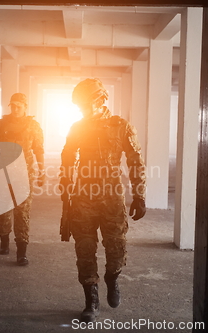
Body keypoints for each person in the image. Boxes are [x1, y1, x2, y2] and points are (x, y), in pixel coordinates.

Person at [59, 78, 146, 322]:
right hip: (83, 198)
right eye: (81, 106)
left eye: (86, 104)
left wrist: (139, 194)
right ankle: (91, 300)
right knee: (85, 249)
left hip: (112, 198)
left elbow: (135, 161)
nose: (83, 110)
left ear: (100, 100)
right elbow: (67, 156)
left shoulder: (121, 127)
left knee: (115, 248)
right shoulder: (78, 127)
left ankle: (112, 277)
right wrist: (65, 185)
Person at [0, 93, 45, 266]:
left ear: (26, 107)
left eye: (19, 106)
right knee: (3, 209)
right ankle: (4, 241)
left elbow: (39, 149)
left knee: (22, 212)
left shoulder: (33, 126)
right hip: (3, 174)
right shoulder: (1, 125)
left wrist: (42, 170)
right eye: (13, 106)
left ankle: (21, 251)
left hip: (24, 176)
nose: (15, 109)